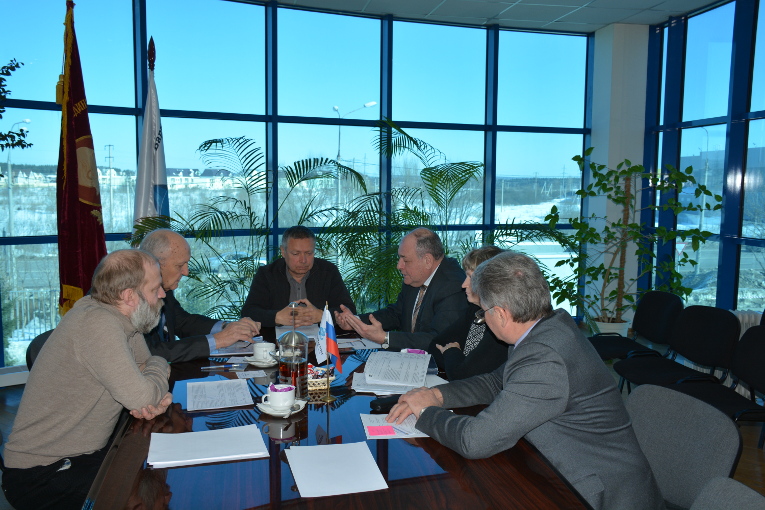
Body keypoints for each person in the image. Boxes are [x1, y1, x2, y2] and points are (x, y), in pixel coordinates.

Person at [387, 252, 665, 510]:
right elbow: (495, 382)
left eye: (484, 312)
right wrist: (437, 396)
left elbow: (475, 440)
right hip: (554, 466)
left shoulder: (545, 356)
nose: (483, 318)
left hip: (596, 491)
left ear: (502, 314)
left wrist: (424, 413)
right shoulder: (547, 325)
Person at [2, 249, 173, 510]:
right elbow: (144, 391)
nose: (162, 294)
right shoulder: (98, 325)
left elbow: (144, 371)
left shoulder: (119, 317)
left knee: (152, 469)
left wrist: (150, 384)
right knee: (143, 494)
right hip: (43, 473)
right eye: (156, 288)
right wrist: (162, 365)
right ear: (129, 297)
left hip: (82, 455)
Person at [140, 229, 261, 363]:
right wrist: (218, 340)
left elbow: (182, 322)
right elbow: (151, 352)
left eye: (187, 264)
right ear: (155, 264)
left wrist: (226, 328)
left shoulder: (165, 290)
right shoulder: (131, 299)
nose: (186, 272)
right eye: (180, 265)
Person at [336, 228, 467, 351]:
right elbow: (397, 314)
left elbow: (438, 340)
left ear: (427, 260)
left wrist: (385, 338)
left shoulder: (453, 286)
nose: (399, 266)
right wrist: (355, 322)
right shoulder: (415, 277)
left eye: (405, 260)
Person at [240, 225, 356, 327]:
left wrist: (322, 315)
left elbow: (349, 309)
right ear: (283, 252)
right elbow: (248, 312)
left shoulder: (328, 271)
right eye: (296, 254)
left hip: (321, 342)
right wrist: (277, 317)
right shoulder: (267, 274)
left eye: (309, 253)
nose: (303, 260)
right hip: (277, 343)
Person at [429, 245, 509, 380]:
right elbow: (435, 346)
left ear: (492, 283)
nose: (464, 284)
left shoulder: (501, 322)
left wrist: (452, 352)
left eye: (471, 278)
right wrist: (459, 362)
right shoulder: (475, 310)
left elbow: (463, 375)